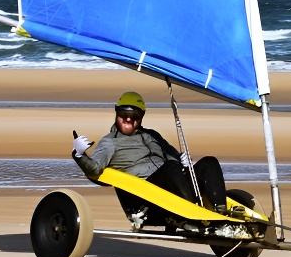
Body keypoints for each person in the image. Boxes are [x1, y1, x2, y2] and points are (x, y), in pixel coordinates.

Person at [72, 90, 227, 223]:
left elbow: (173, 156)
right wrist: (79, 154)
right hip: (147, 198)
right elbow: (94, 170)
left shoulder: (152, 135)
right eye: (124, 114)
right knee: (171, 168)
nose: (128, 119)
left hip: (174, 185)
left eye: (134, 115)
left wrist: (183, 160)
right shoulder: (110, 142)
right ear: (117, 113)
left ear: (141, 117)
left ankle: (221, 212)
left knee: (209, 162)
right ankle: (193, 212)